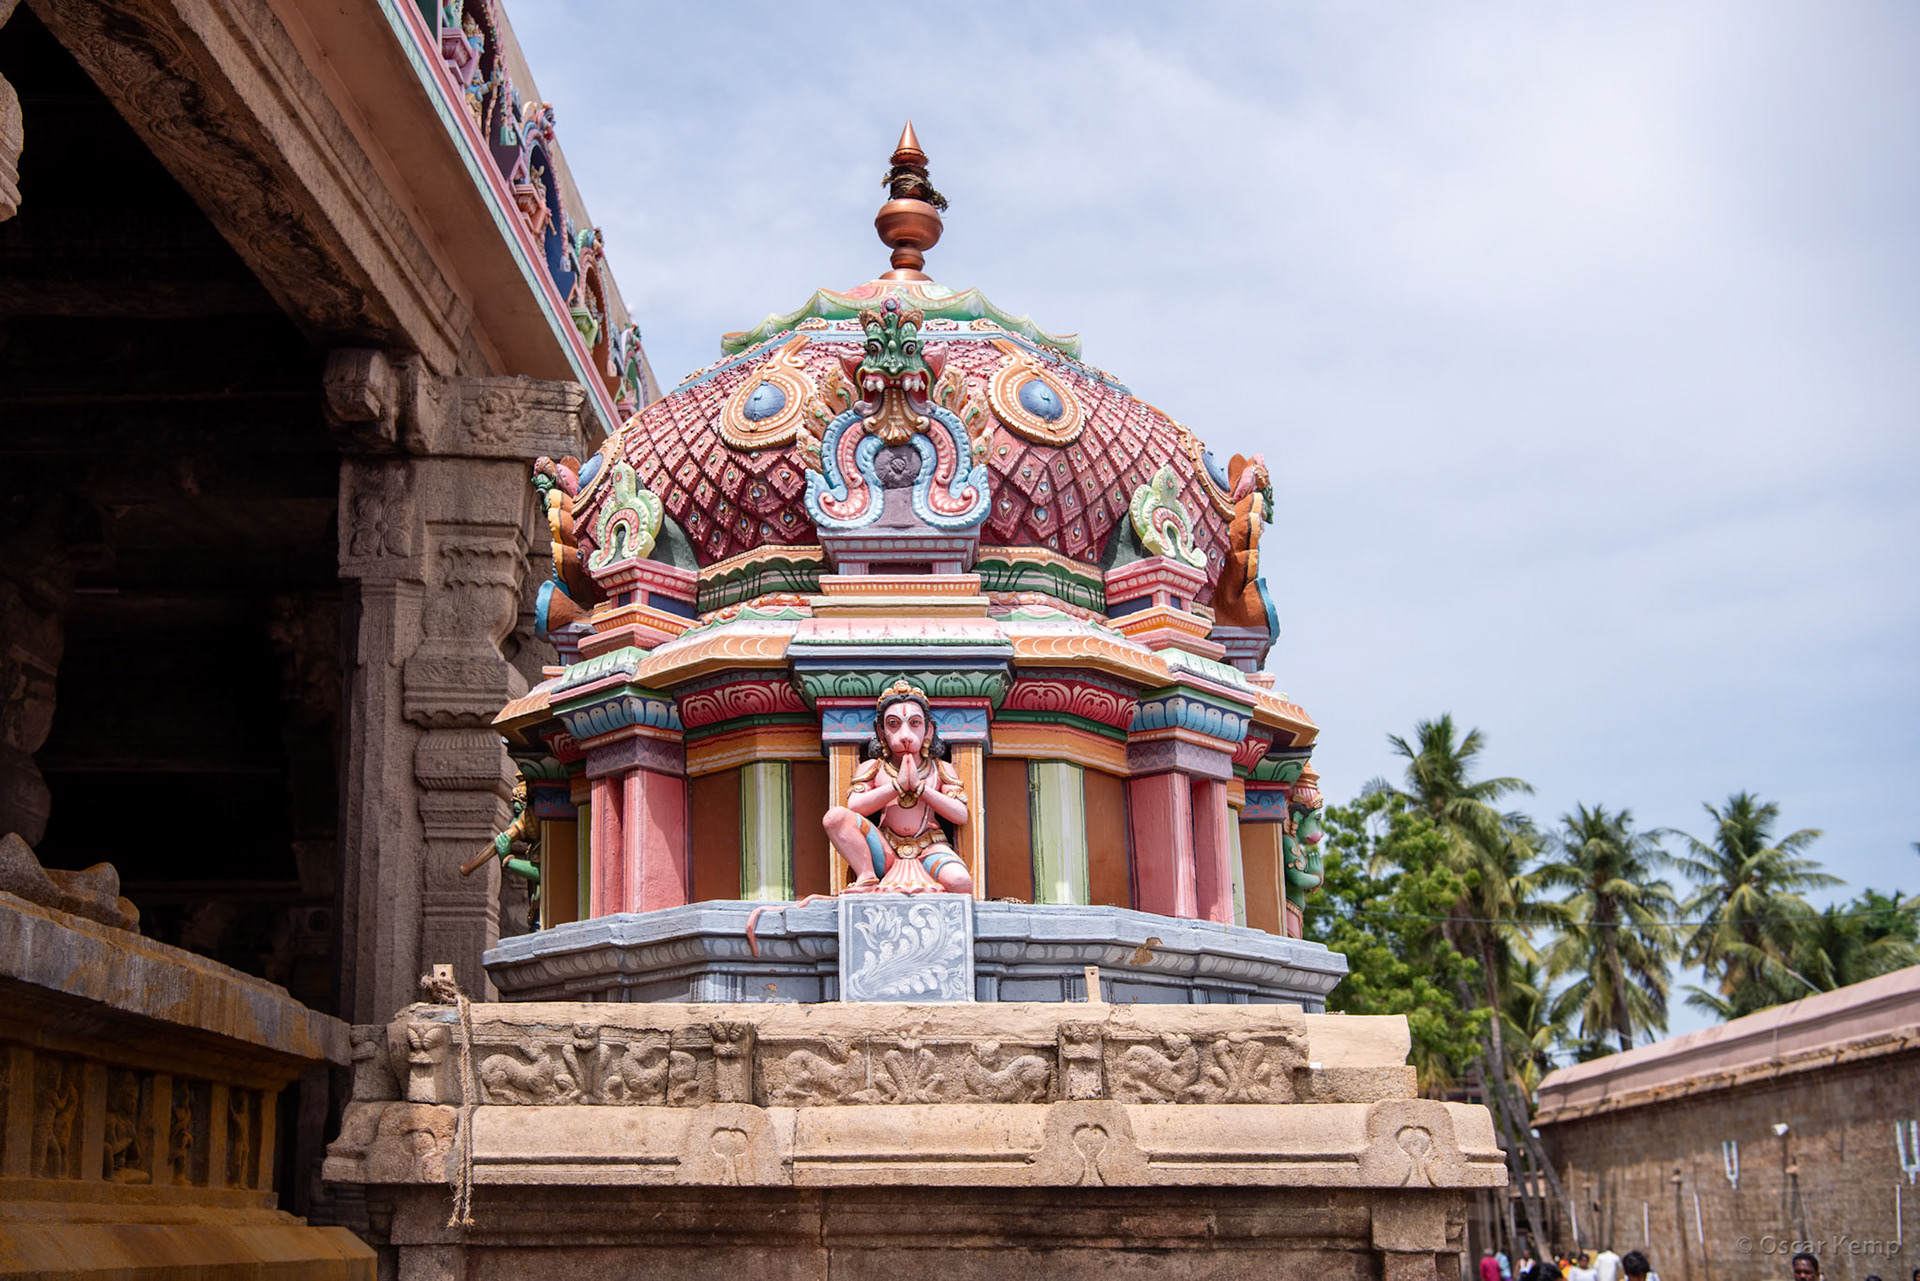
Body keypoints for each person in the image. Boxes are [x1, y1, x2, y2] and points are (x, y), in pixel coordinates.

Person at [822, 679, 974, 893]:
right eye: (893, 724)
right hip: (887, 851)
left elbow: (960, 815)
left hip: (929, 847)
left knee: (960, 882)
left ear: (928, 730)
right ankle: (867, 877)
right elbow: (854, 807)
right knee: (834, 817)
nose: (905, 735)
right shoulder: (873, 767)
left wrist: (920, 788)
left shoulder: (941, 769)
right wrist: (897, 785)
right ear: (881, 731)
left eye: (915, 723)